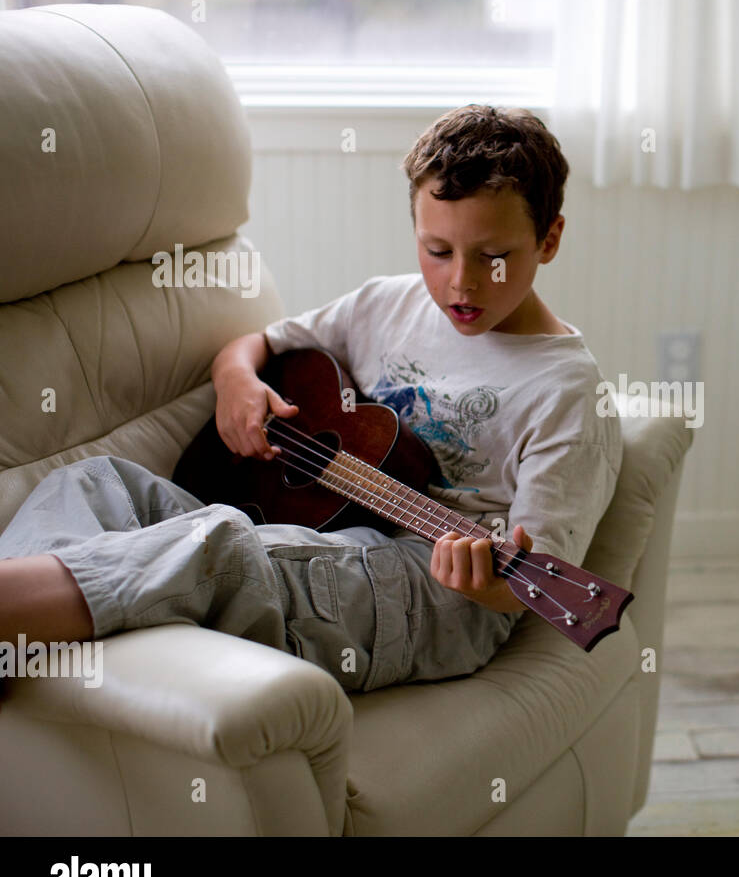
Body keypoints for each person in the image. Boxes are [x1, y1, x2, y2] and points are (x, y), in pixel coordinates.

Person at [0, 104, 622, 693]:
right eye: (437, 251)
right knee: (94, 481)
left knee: (218, 543)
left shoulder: (568, 393)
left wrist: (486, 581)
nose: (460, 280)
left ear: (549, 239)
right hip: (326, 529)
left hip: (432, 593)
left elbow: (535, 586)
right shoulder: (387, 304)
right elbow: (253, 347)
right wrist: (236, 382)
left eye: (493, 256)